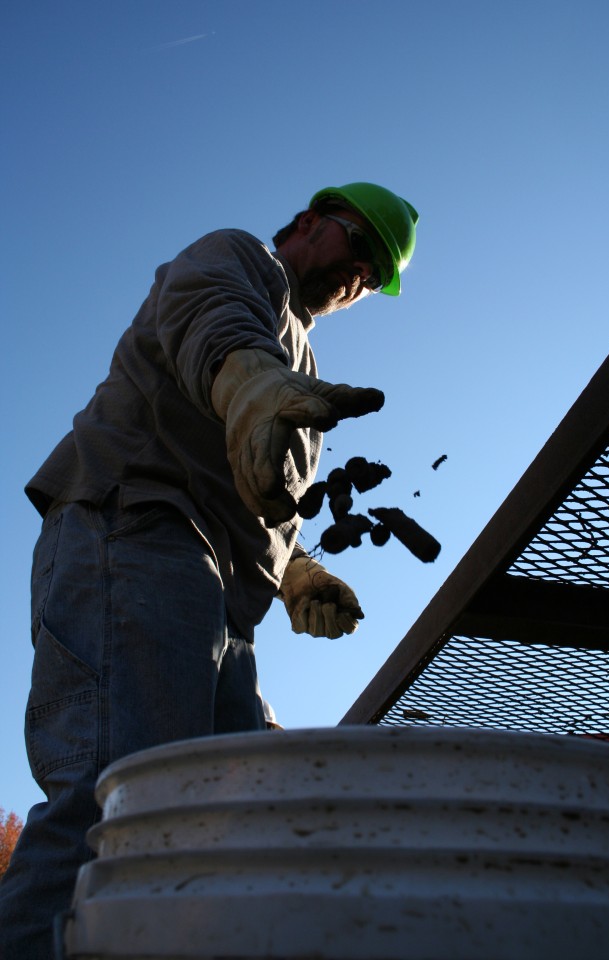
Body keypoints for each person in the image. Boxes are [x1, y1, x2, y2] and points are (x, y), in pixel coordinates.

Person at [0, 181, 418, 958]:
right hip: (138, 527)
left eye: (373, 274)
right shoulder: (240, 259)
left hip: (223, 605)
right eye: (356, 245)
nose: (358, 273)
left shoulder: (306, 369)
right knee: (121, 799)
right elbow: (210, 318)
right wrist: (249, 381)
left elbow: (268, 499)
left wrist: (297, 572)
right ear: (306, 223)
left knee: (228, 826)